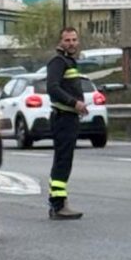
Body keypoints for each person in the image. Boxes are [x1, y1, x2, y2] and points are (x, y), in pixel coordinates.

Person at [45, 26, 88, 220]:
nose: (71, 43)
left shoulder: (69, 62)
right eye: (67, 40)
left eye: (74, 40)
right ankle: (58, 205)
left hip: (69, 118)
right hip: (63, 117)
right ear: (60, 42)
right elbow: (53, 88)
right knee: (62, 162)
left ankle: (59, 202)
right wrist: (75, 103)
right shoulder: (58, 61)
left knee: (64, 161)